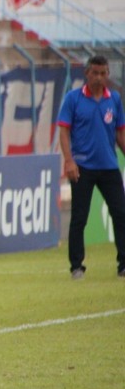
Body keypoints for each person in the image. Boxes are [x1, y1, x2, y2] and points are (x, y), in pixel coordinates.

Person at [58, 54, 125, 280]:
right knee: (79, 217)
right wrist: (69, 160)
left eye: (103, 73)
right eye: (95, 73)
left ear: (108, 74)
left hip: (108, 166)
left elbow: (120, 133)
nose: (99, 77)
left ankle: (123, 265)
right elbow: (64, 130)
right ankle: (76, 266)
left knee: (121, 213)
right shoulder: (73, 99)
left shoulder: (114, 100)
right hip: (82, 167)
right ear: (87, 73)